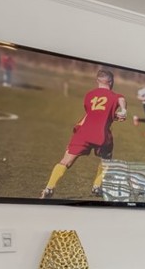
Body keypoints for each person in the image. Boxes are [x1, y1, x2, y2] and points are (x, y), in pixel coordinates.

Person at [40, 69, 127, 199]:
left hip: (83, 133)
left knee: (65, 161)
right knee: (107, 159)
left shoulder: (89, 95)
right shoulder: (115, 96)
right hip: (102, 135)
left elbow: (93, 114)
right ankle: (97, 186)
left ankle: (49, 188)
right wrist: (123, 110)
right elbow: (121, 98)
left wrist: (112, 115)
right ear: (111, 82)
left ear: (97, 81)